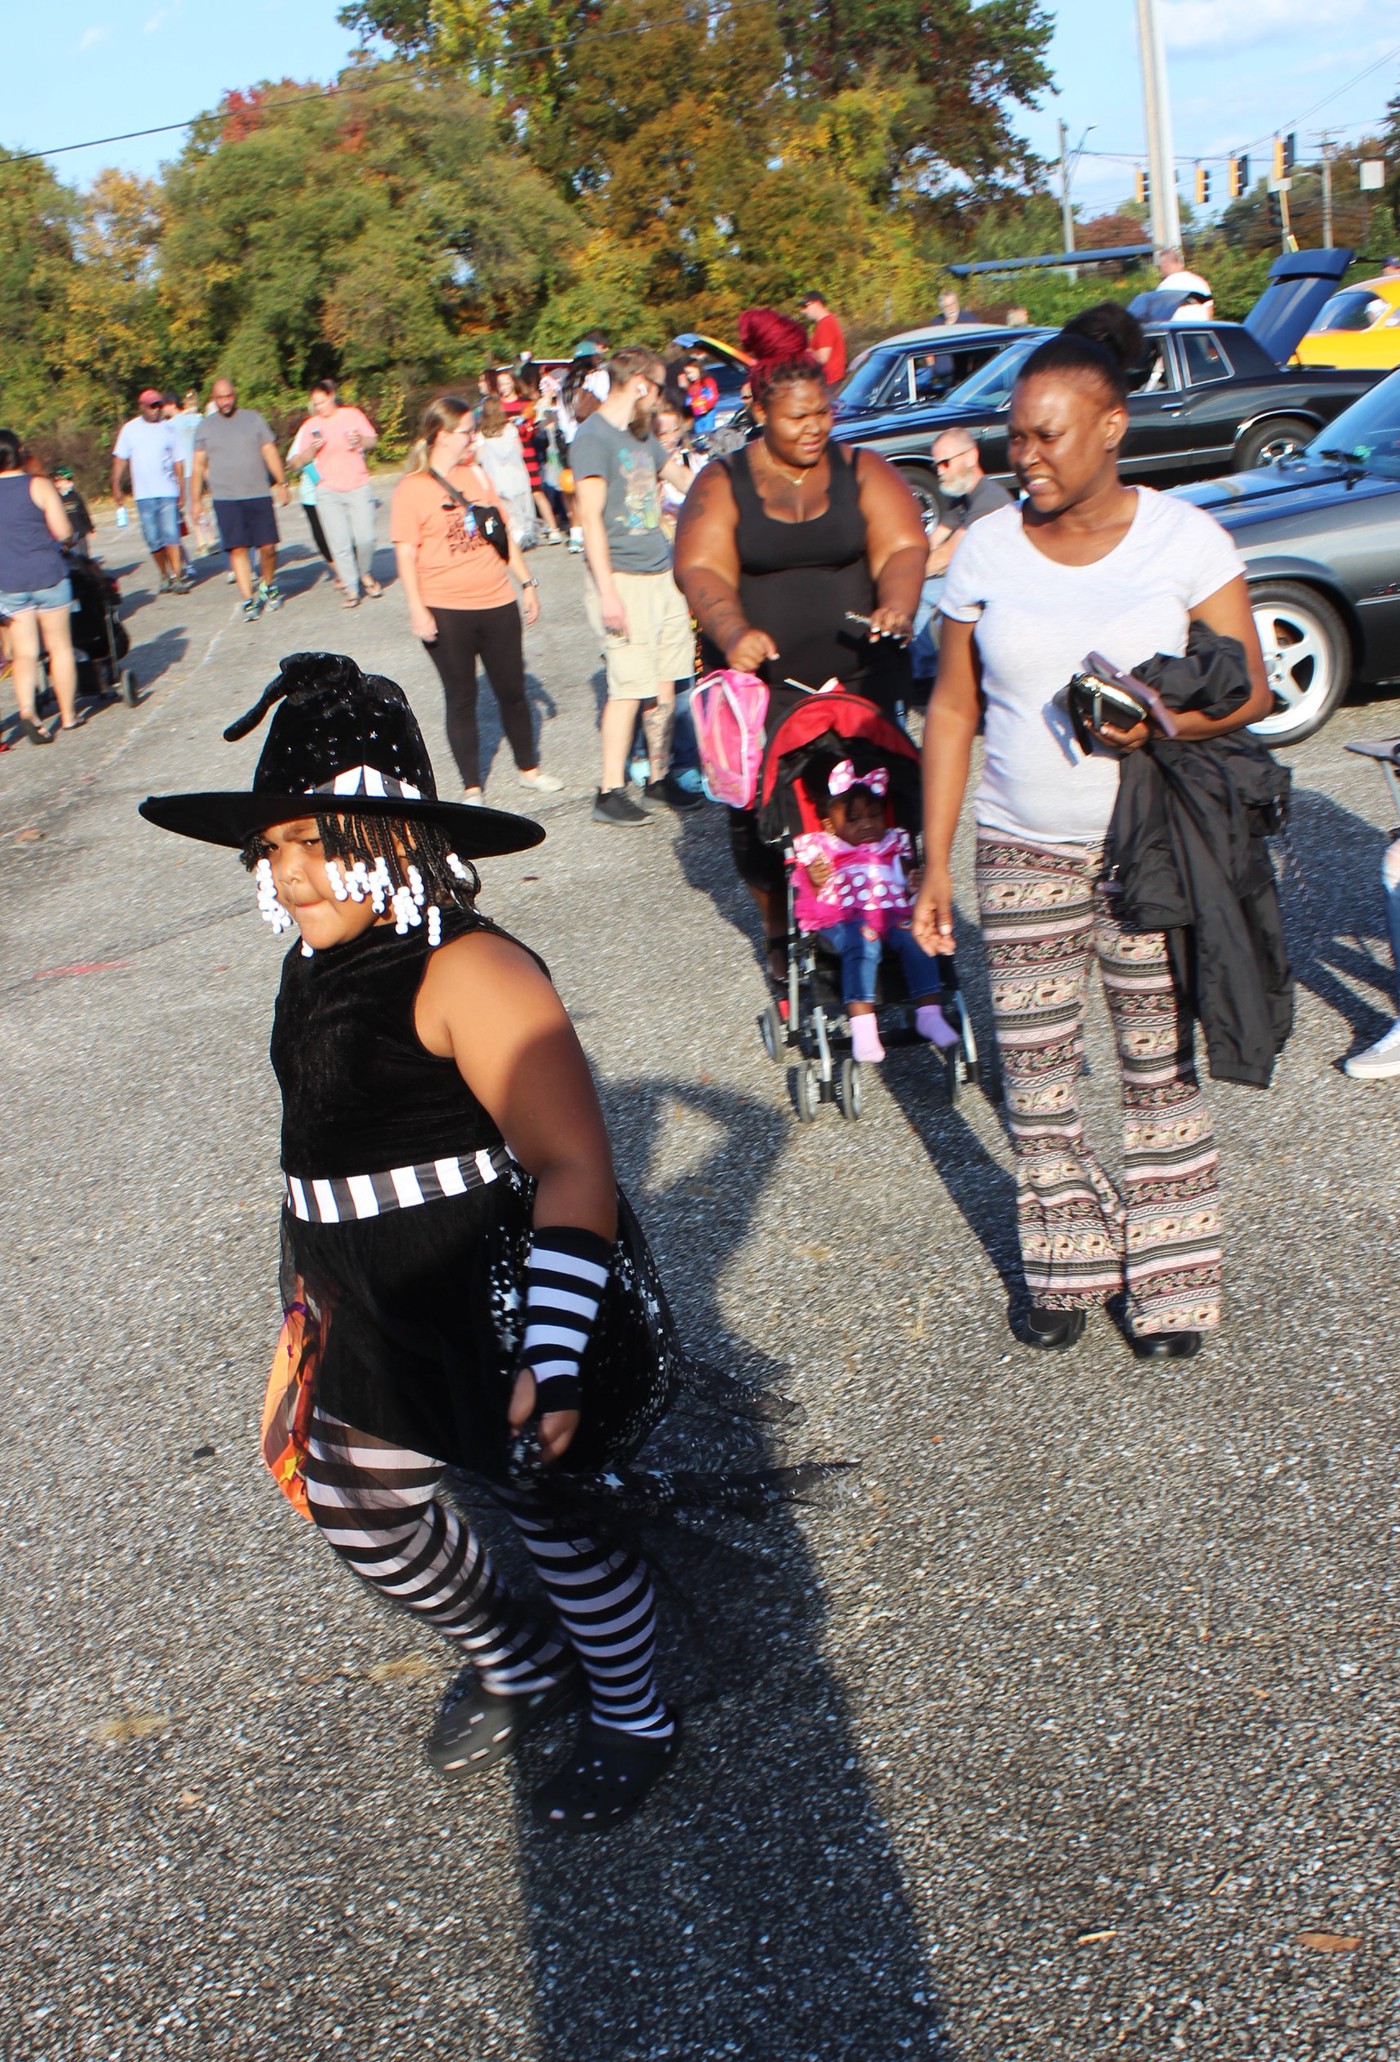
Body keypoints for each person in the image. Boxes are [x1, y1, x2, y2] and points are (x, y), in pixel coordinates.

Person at [137, 652, 701, 1832]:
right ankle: (517, 1656)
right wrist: (306, 1301)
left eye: (312, 841)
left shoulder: (471, 968)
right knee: (351, 1499)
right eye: (271, 848)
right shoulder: (315, 962)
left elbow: (571, 1162)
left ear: (397, 838)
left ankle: (632, 1705)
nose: (287, 875)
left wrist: (551, 1348)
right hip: (365, 1296)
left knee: (549, 1508)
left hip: (489, 1297)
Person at [911, 304, 1273, 1360]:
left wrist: (1154, 716)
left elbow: (1244, 684)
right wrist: (932, 863)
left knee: (1157, 1069)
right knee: (1034, 1076)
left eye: (1047, 436)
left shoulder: (1183, 539)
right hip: (1017, 842)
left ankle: (1170, 1287)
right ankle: (1065, 1262)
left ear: (1110, 427)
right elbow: (950, 710)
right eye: (1015, 436)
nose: (1023, 457)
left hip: (1151, 842)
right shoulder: (982, 550)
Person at [673, 307, 926, 981]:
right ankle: (780, 929)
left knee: (881, 799)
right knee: (761, 820)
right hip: (766, 687)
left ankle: (885, 911)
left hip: (862, 677)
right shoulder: (722, 481)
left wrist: (898, 604)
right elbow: (700, 567)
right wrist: (732, 630)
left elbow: (903, 543)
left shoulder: (863, 468)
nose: (816, 427)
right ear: (757, 405)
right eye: (798, 416)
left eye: (824, 412)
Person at [391, 396, 561, 803]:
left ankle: (529, 769)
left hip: (497, 600)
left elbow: (500, 533)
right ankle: (472, 786)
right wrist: (417, 609)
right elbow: (406, 555)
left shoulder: (477, 477)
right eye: (467, 431)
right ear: (443, 435)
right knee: (461, 697)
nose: (474, 439)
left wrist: (527, 582)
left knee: (513, 691)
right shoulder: (410, 489)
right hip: (446, 608)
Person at [571, 345, 704, 825]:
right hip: (622, 581)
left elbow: (682, 478)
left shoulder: (640, 436)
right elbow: (590, 519)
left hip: (661, 574)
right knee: (628, 687)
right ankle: (608, 790)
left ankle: (659, 777)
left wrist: (729, 488)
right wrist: (607, 593)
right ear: (641, 385)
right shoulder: (594, 438)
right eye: (659, 385)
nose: (662, 395)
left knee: (666, 680)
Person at [793, 754, 959, 1063]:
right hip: (844, 918)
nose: (868, 824)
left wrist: (915, 878)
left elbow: (908, 875)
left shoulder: (893, 842)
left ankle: (929, 1011)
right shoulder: (825, 848)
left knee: (916, 935)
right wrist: (815, 878)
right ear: (830, 826)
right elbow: (807, 884)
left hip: (893, 913)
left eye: (874, 816)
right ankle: (863, 1025)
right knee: (863, 938)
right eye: (854, 820)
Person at [910, 430, 1014, 683]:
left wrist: (903, 577)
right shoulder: (962, 500)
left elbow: (947, 555)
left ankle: (927, 673)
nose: (940, 471)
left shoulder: (988, 500)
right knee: (922, 587)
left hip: (998, 586)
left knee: (920, 592)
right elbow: (931, 542)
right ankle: (925, 669)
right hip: (977, 578)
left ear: (970, 457)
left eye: (946, 463)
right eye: (937, 465)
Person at [0, 427, 80, 741]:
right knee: (60, 647)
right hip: (48, 575)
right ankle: (70, 716)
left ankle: (27, 711)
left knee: (24, 654)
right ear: (20, 452)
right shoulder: (40, 485)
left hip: (10, 581)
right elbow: (63, 532)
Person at [191, 378, 289, 622]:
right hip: (226, 497)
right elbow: (198, 464)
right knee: (238, 549)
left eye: (229, 396)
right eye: (220, 397)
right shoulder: (205, 427)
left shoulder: (253, 419)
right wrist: (195, 500)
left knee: (268, 547)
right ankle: (248, 598)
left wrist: (281, 482)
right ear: (213, 399)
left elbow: (269, 451)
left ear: (235, 395)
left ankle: (267, 584)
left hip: (257, 492)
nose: (225, 401)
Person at [287, 382, 381, 606]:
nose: (319, 407)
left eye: (322, 402)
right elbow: (295, 462)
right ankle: (351, 589)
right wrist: (312, 450)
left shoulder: (352, 415)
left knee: (365, 537)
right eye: (315, 403)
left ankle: (365, 572)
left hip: (357, 484)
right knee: (339, 542)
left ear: (332, 396)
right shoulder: (311, 425)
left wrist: (360, 441)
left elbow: (373, 440)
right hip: (327, 490)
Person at [112, 389, 186, 594]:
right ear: (142, 407)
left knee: (172, 535)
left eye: (159, 405)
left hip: (167, 491)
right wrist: (116, 485)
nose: (157, 409)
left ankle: (178, 576)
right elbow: (120, 459)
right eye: (152, 406)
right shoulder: (129, 429)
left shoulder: (169, 429)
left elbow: (178, 461)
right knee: (153, 538)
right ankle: (164, 574)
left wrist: (182, 489)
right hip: (144, 494)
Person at [476, 395, 536, 548]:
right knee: (523, 503)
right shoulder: (510, 429)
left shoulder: (482, 433)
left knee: (506, 507)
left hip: (496, 476)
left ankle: (516, 535)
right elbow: (520, 450)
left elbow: (479, 457)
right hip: (516, 473)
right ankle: (528, 533)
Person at [799, 291, 847, 387]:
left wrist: (804, 348)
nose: (803, 311)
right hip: (830, 381)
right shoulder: (826, 322)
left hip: (830, 383)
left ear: (817, 303)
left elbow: (822, 358)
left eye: (805, 306)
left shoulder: (825, 324)